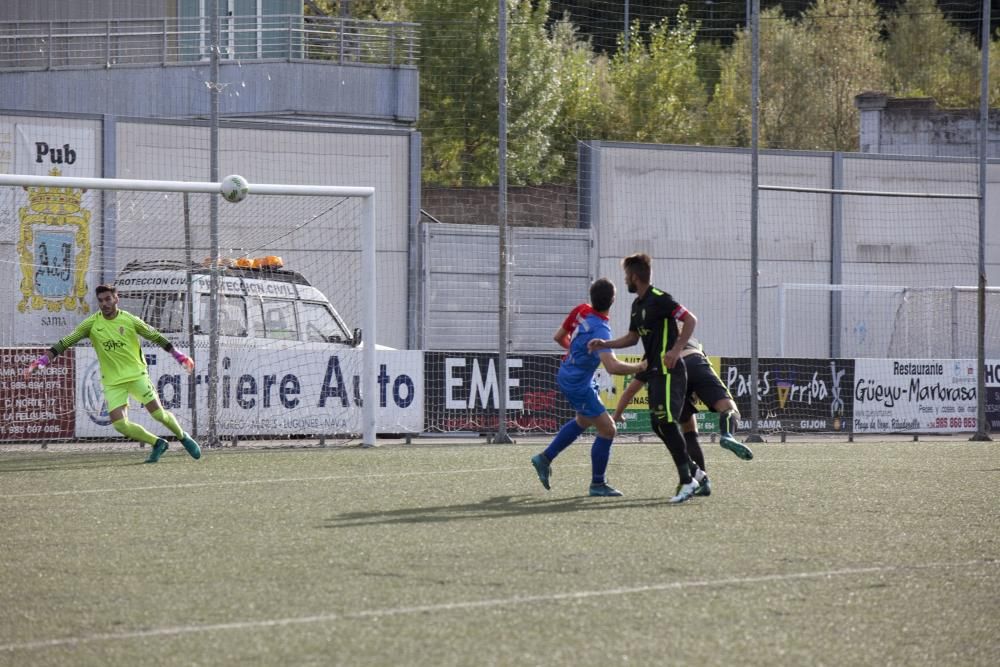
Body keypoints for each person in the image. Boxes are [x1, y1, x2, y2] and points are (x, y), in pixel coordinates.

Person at [24, 284, 202, 463]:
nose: (105, 304)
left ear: (116, 299)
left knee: (158, 415)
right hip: (112, 382)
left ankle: (182, 436)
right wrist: (41, 361)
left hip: (137, 376)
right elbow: (64, 342)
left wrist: (179, 356)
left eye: (108, 299)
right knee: (120, 426)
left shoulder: (130, 320)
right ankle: (157, 443)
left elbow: (156, 337)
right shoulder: (92, 324)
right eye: (101, 301)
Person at [588, 253, 702, 504]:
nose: (626, 280)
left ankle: (687, 480)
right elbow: (631, 339)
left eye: (627, 275)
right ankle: (694, 471)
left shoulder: (661, 299)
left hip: (670, 370)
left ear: (635, 277)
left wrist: (675, 350)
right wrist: (604, 343)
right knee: (658, 423)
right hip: (654, 372)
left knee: (667, 421)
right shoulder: (637, 306)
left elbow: (690, 320)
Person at [530, 278, 646, 497]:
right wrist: (640, 366)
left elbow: (559, 338)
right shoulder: (601, 330)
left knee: (583, 420)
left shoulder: (581, 309)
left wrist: (578, 356)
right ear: (613, 300)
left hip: (570, 372)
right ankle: (597, 484)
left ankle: (544, 458)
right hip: (577, 383)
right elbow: (612, 367)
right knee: (608, 429)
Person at [612, 337, 754, 497]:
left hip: (673, 374)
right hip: (697, 361)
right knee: (729, 408)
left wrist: (617, 414)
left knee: (685, 430)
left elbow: (631, 390)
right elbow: (702, 361)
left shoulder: (654, 350)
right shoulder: (693, 340)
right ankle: (727, 434)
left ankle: (702, 480)